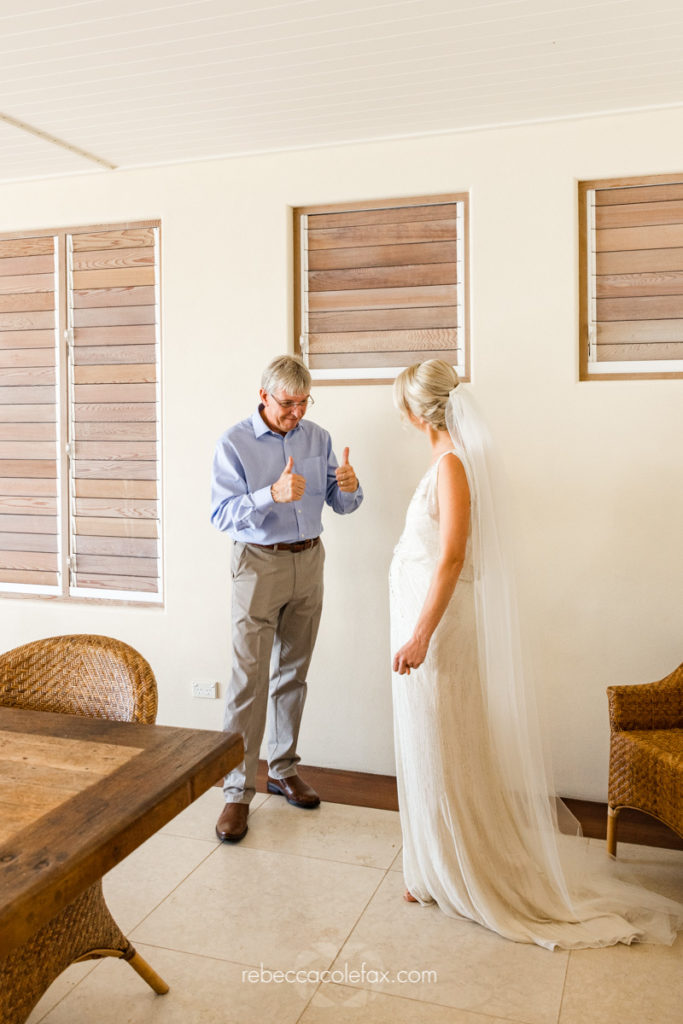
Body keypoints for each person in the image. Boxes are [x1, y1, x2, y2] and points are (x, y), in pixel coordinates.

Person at [390, 358, 683, 949]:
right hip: (423, 625)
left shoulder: (452, 466)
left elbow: (452, 558)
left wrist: (420, 634)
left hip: (437, 631)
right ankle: (433, 868)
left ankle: (458, 870)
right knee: (427, 744)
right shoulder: (446, 462)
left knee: (442, 745)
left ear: (417, 412)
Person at [211, 354, 362, 842]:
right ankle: (237, 791)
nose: (296, 413)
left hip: (309, 561)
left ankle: (282, 769)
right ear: (263, 396)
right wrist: (269, 495)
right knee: (248, 680)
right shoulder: (233, 443)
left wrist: (350, 488)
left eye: (304, 403)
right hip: (258, 564)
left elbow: (341, 504)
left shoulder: (317, 438)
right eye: (287, 404)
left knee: (294, 671)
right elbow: (220, 513)